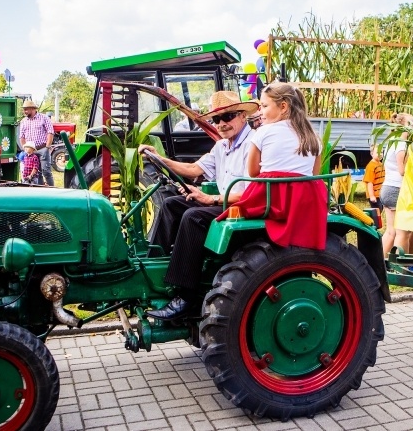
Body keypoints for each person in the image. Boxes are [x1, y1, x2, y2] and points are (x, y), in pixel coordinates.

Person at [139, 91, 259, 320]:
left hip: (241, 206)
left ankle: (186, 296)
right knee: (172, 204)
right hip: (224, 202)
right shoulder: (222, 146)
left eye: (229, 116)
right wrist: (160, 159)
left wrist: (209, 198)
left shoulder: (252, 145)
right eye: (217, 120)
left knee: (193, 217)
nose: (222, 124)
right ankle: (153, 270)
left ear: (243, 116)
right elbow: (194, 170)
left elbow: (249, 192)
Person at [220, 82, 327, 249]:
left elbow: (253, 172)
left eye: (263, 106)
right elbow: (313, 175)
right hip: (304, 201)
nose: (260, 111)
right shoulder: (313, 137)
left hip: (272, 198)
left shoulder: (262, 132)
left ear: (283, 106)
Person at [380, 112, 413, 256]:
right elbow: (402, 170)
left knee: (391, 232)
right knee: (403, 233)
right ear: (404, 126)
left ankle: (378, 267)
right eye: (411, 123)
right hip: (396, 189)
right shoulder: (402, 144)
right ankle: (402, 269)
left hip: (387, 188)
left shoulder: (392, 142)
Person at [18, 100, 54, 186]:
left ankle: (53, 190)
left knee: (46, 171)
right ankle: (40, 190)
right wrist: (24, 149)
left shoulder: (44, 118)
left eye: (26, 109)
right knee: (36, 173)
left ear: (32, 109)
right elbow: (21, 136)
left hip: (42, 148)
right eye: (24, 109)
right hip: (30, 151)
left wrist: (47, 147)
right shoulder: (23, 121)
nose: (25, 111)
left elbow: (50, 132)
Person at [363, 144, 385, 228]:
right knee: (376, 212)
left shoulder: (380, 164)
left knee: (379, 211)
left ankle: (375, 225)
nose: (380, 154)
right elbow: (369, 182)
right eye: (378, 152)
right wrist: (372, 196)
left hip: (380, 194)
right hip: (375, 195)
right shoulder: (371, 166)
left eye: (382, 152)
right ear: (372, 153)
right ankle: (373, 225)